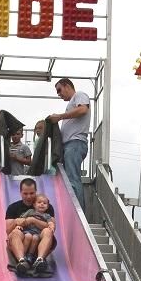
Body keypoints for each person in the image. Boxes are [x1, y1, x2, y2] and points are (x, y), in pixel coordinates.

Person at [48, 78, 90, 206]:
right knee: (69, 180)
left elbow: (83, 109)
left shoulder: (79, 95)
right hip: (70, 145)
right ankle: (74, 209)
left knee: (72, 179)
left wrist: (60, 116)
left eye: (59, 90)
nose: (58, 94)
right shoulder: (72, 102)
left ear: (67, 86)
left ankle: (78, 211)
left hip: (75, 143)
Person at [5, 178, 56, 277]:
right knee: (15, 232)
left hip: (39, 239)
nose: (28, 196)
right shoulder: (13, 208)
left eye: (32, 193)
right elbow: (8, 231)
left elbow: (52, 228)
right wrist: (16, 222)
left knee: (47, 231)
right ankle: (21, 261)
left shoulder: (46, 206)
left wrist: (33, 220)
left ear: (36, 191)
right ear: (20, 192)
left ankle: (39, 259)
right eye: (25, 193)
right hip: (22, 241)